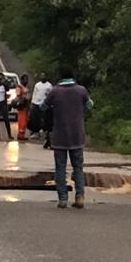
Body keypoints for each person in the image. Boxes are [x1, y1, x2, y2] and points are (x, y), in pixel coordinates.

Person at [46, 67, 93, 209]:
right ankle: (80, 196)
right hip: (77, 135)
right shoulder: (81, 90)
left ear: (60, 77)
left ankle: (62, 199)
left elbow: (43, 106)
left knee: (60, 168)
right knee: (78, 167)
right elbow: (90, 105)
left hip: (59, 136)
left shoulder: (55, 91)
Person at [28, 73, 53, 139]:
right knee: (35, 118)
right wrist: (32, 103)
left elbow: (51, 95)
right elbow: (34, 94)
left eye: (44, 76)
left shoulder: (49, 85)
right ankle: (36, 132)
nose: (43, 77)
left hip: (44, 104)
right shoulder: (37, 85)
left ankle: (45, 133)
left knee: (44, 119)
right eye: (41, 76)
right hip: (36, 103)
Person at [14, 74, 30, 141]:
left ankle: (22, 135)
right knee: (22, 122)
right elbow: (18, 96)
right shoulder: (19, 87)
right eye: (25, 79)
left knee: (25, 121)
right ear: (22, 80)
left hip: (26, 107)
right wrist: (25, 97)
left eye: (27, 79)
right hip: (22, 107)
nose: (26, 81)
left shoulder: (26, 88)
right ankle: (20, 135)